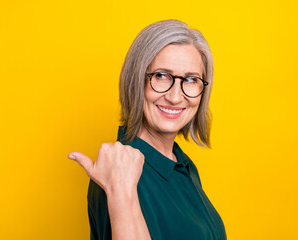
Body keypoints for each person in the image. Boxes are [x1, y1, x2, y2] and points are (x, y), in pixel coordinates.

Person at [68, 19, 227, 240]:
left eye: (191, 79)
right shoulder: (117, 172)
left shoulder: (182, 164)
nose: (175, 97)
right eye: (161, 76)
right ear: (136, 81)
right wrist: (121, 194)